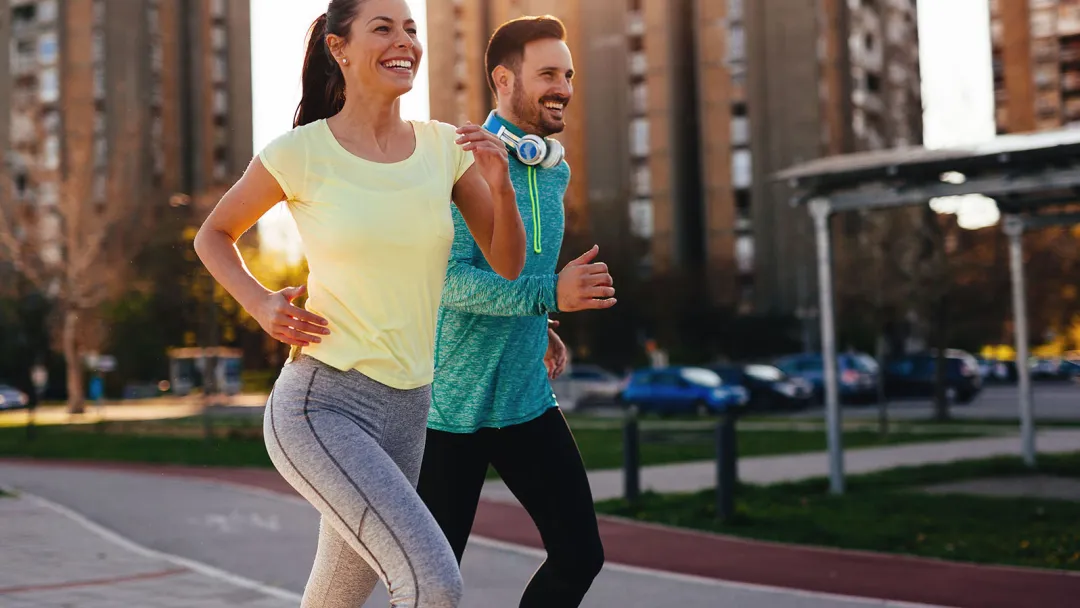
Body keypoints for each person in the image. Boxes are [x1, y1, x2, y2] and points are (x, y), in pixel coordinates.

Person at [193, 0, 527, 605]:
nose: (405, 41)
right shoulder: (299, 152)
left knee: (336, 598)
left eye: (410, 29)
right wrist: (261, 304)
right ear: (339, 49)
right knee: (431, 582)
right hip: (323, 405)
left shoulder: (444, 147)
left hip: (409, 411)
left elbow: (507, 263)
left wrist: (501, 188)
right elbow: (212, 234)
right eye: (383, 28)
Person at [416, 15, 613, 608]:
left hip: (525, 398)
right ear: (504, 79)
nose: (564, 87)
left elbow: (519, 271)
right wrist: (545, 296)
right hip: (450, 409)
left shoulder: (555, 170)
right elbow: (446, 283)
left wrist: (540, 322)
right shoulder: (459, 163)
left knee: (581, 554)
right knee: (434, 583)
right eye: (548, 74)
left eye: (569, 74)